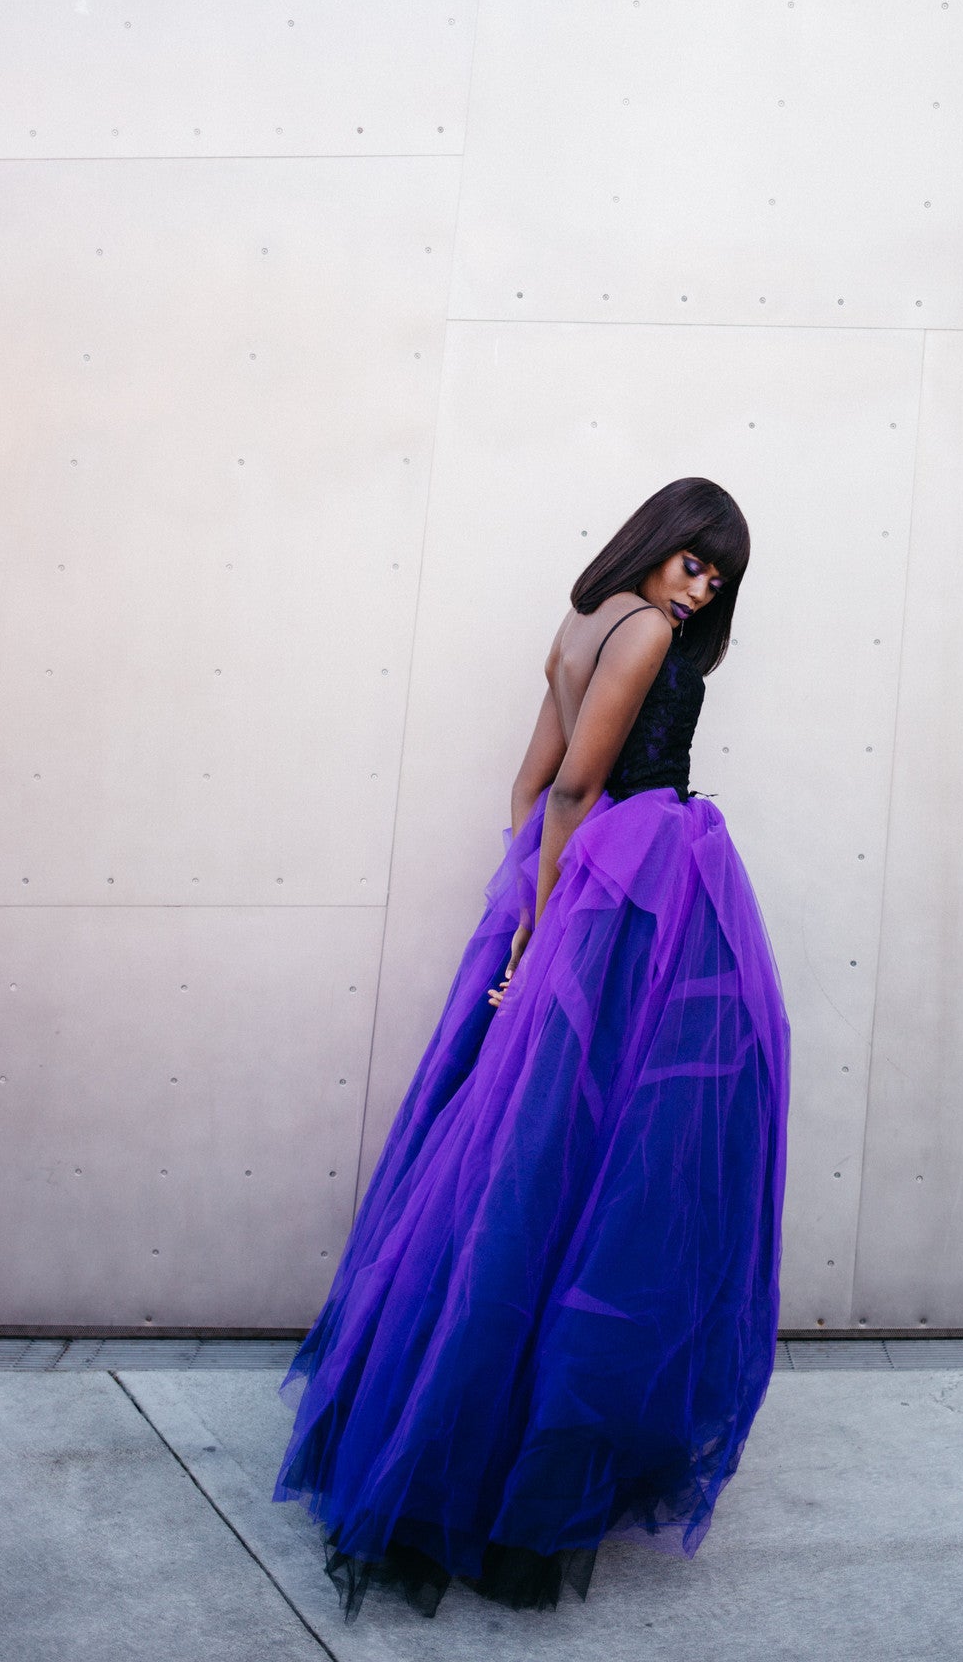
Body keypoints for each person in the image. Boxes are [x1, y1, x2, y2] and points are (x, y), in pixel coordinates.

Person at [273, 476, 790, 1618]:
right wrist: (553, 922)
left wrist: (526, 901)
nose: (700, 590)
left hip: (586, 883)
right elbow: (569, 782)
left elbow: (528, 787)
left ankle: (456, 1421)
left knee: (534, 1152)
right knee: (618, 1151)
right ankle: (524, 1447)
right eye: (694, 561)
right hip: (634, 879)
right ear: (658, 546)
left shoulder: (583, 617)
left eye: (719, 577)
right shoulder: (647, 628)